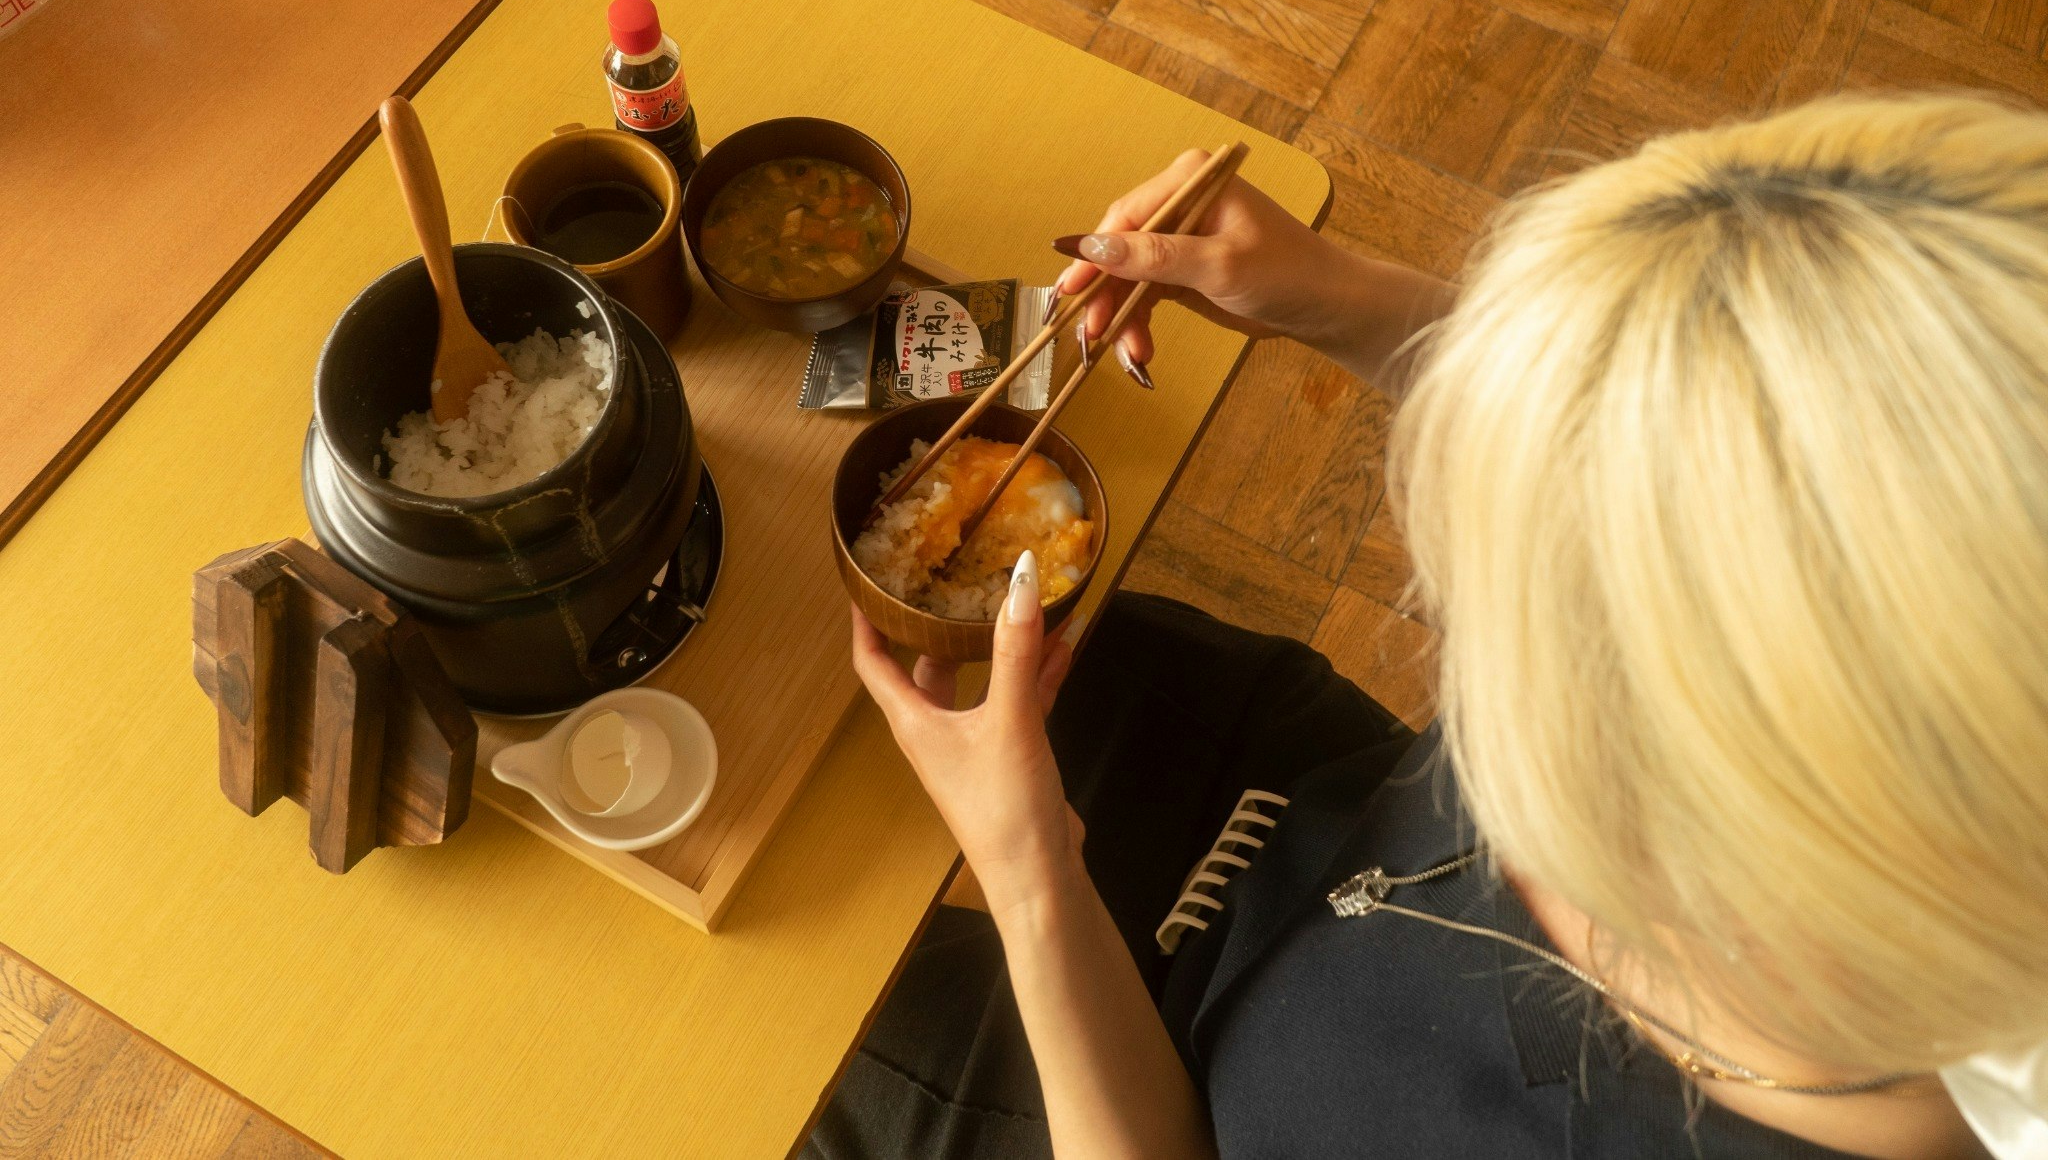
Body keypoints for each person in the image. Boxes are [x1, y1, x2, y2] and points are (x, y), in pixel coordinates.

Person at [806, 94, 2048, 1159]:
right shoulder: (1889, 703)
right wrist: (1344, 301)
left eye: (1506, 645)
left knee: (804, 1045)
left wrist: (1031, 879)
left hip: (1146, 1089)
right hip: (1295, 813)